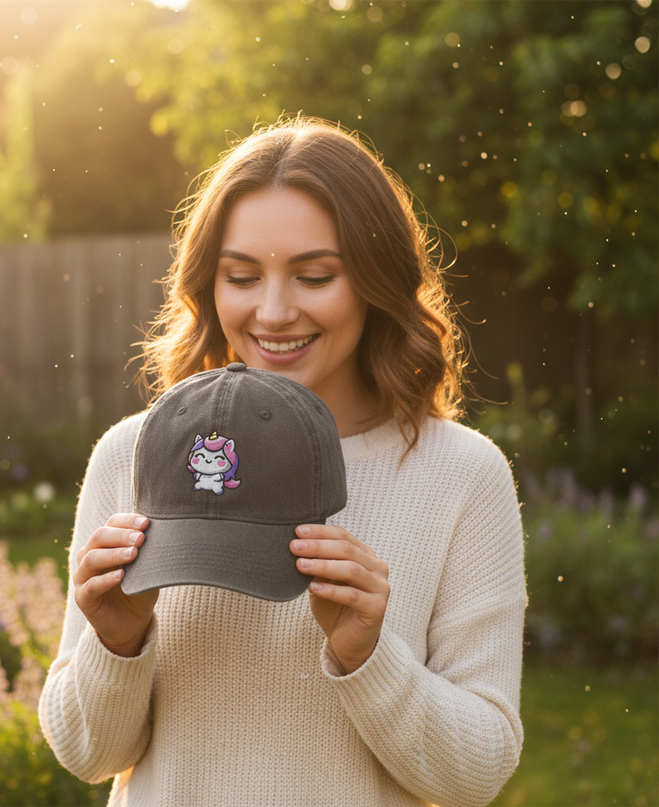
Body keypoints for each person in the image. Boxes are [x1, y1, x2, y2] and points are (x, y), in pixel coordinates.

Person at [39, 117, 526, 807]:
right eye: (241, 276)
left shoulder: (460, 476)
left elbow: (476, 772)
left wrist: (366, 654)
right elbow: (87, 754)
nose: (271, 312)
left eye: (314, 275)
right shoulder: (134, 455)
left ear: (374, 280)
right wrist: (115, 642)